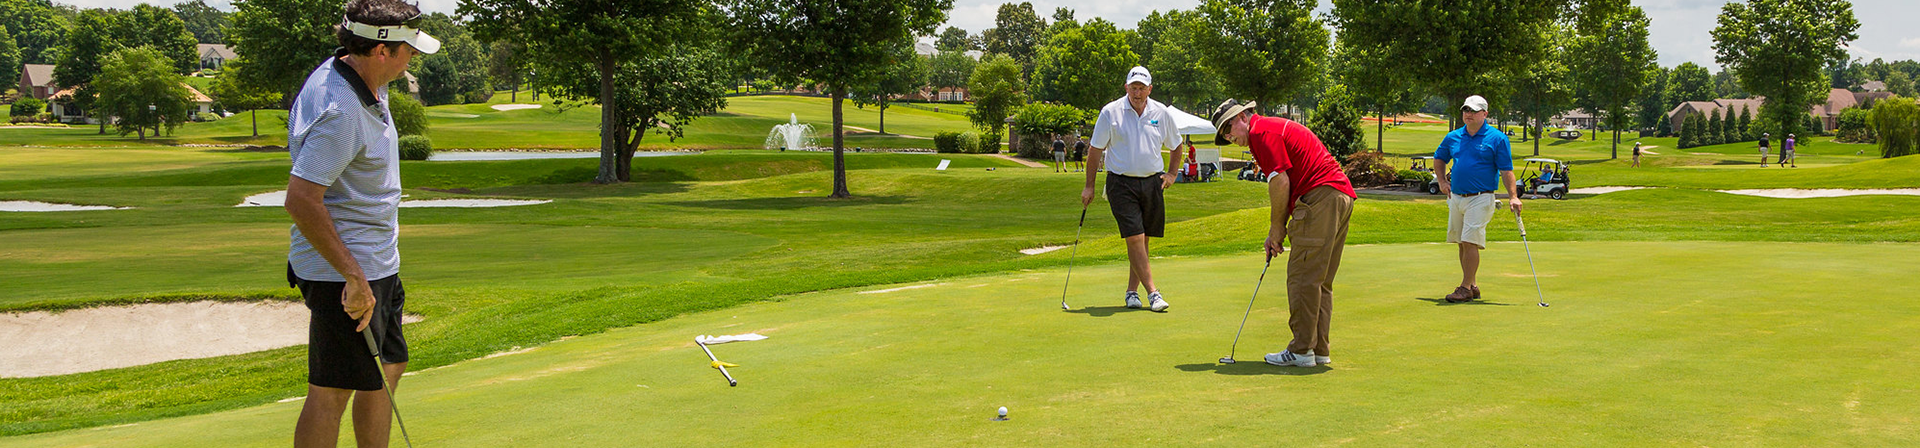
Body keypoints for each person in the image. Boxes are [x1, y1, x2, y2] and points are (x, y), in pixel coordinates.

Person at [285, 1, 438, 446]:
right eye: (409, 49)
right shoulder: (341, 112)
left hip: (375, 260)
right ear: (381, 51)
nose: (414, 58)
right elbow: (301, 199)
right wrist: (352, 276)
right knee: (331, 391)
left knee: (387, 367)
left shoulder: (363, 75)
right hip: (346, 273)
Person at [1211, 99, 1356, 367]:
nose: (1230, 138)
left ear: (1243, 116)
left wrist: (1276, 229)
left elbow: (1280, 180)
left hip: (1319, 197)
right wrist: (1277, 230)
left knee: (1302, 279)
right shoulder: (1270, 129)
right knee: (1318, 280)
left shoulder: (1261, 133)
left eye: (1229, 129)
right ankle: (1317, 349)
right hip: (1339, 196)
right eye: (1225, 136)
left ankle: (1302, 350)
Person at [1083, 66, 1182, 312]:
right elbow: (1095, 150)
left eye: (1142, 88)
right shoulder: (1110, 112)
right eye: (1133, 88)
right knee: (1135, 236)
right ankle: (1153, 293)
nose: (1137, 93)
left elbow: (1176, 145)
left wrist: (1171, 174)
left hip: (1151, 182)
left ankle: (1131, 292)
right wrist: (1089, 186)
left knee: (1142, 239)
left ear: (1150, 89)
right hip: (1120, 182)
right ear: (1126, 87)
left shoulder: (1161, 112)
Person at [1435, 95, 1522, 303]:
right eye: (1466, 110)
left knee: (1469, 240)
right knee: (1461, 243)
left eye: (1473, 111)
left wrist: (1513, 196)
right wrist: (1441, 181)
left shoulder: (1497, 138)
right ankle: (1472, 284)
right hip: (1456, 196)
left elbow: (1506, 170)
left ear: (1485, 114)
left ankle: (1464, 288)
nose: (1468, 114)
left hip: (1481, 197)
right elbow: (1439, 158)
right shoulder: (1453, 137)